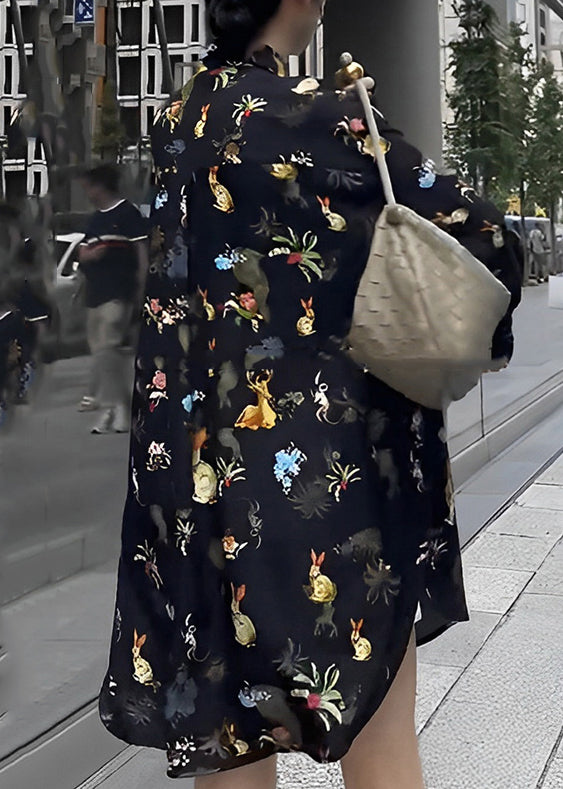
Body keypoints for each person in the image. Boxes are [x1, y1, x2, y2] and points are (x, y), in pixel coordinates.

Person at [98, 1, 522, 787]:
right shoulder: (323, 115)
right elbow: (483, 233)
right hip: (332, 483)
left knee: (232, 747)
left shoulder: (179, 117)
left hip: (200, 491)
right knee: (380, 742)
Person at [76, 164, 150, 433]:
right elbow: (82, 252)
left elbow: (142, 254)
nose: (87, 193)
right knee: (102, 355)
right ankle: (116, 406)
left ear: (101, 186)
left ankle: (118, 408)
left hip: (119, 293)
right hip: (94, 296)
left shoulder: (128, 214)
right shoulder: (95, 220)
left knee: (108, 346)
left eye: (89, 187)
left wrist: (142, 290)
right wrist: (90, 255)